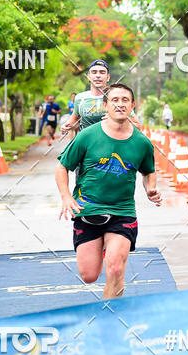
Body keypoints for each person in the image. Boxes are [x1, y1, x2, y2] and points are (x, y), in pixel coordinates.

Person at [55, 83, 161, 299]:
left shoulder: (142, 143)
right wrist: (66, 197)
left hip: (122, 211)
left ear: (132, 105)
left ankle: (110, 315)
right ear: (105, 105)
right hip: (88, 210)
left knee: (114, 268)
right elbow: (62, 167)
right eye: (115, 100)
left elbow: (149, 171)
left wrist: (150, 189)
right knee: (89, 275)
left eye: (125, 100)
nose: (120, 104)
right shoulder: (87, 136)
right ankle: (105, 249)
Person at [61, 59, 111, 137]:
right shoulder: (80, 98)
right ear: (88, 76)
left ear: (108, 77)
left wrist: (117, 120)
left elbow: (136, 125)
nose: (98, 75)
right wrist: (66, 125)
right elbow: (75, 116)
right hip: (85, 144)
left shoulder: (116, 98)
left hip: (108, 144)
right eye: (94, 72)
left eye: (102, 72)